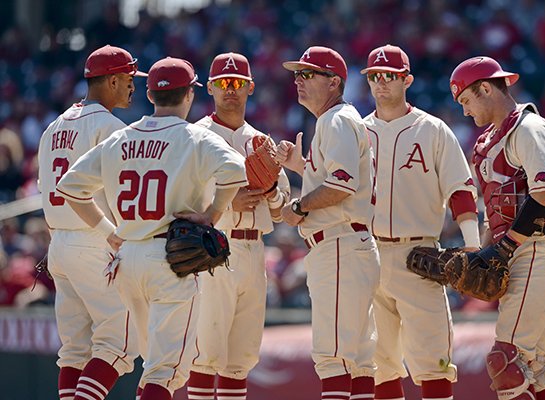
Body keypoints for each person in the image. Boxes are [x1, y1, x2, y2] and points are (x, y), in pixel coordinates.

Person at [56, 57, 247, 400]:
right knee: (165, 371)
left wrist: (108, 229)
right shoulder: (194, 136)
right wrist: (212, 214)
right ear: (189, 94)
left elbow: (70, 187)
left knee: (147, 363)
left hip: (127, 258)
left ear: (149, 93)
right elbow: (236, 170)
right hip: (171, 260)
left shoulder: (121, 137)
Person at [449, 56, 545, 400]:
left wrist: (503, 248)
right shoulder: (492, 140)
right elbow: (498, 211)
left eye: (466, 100)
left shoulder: (528, 128)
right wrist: (482, 253)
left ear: (485, 88)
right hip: (524, 253)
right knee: (534, 367)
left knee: (504, 361)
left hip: (540, 251)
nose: (465, 112)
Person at [362, 44, 480, 400]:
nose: (382, 83)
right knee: (379, 363)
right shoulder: (355, 130)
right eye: (375, 76)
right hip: (368, 254)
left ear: (407, 79)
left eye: (391, 76)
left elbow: (461, 190)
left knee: (434, 361)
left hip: (420, 254)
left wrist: (472, 246)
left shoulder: (432, 129)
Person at [37, 44, 146, 400]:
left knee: (75, 350)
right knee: (121, 343)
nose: (133, 86)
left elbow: (45, 190)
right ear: (112, 80)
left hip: (60, 245)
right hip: (96, 238)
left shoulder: (52, 127)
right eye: (129, 79)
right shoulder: (112, 127)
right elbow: (124, 198)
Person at [276, 46, 380, 400]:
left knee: (333, 357)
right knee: (360, 360)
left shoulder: (335, 119)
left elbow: (340, 185)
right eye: (297, 75)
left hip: (338, 245)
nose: (299, 81)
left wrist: (298, 206)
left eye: (308, 74)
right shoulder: (342, 119)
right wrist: (301, 167)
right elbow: (338, 179)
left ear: (334, 81)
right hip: (352, 242)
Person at [186, 52, 290, 400]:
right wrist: (228, 202)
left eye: (238, 83)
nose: (231, 89)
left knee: (240, 359)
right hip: (212, 249)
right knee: (205, 355)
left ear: (250, 88)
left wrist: (272, 189)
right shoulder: (195, 135)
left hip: (254, 249)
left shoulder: (262, 141)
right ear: (211, 88)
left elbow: (282, 210)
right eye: (223, 83)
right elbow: (181, 200)